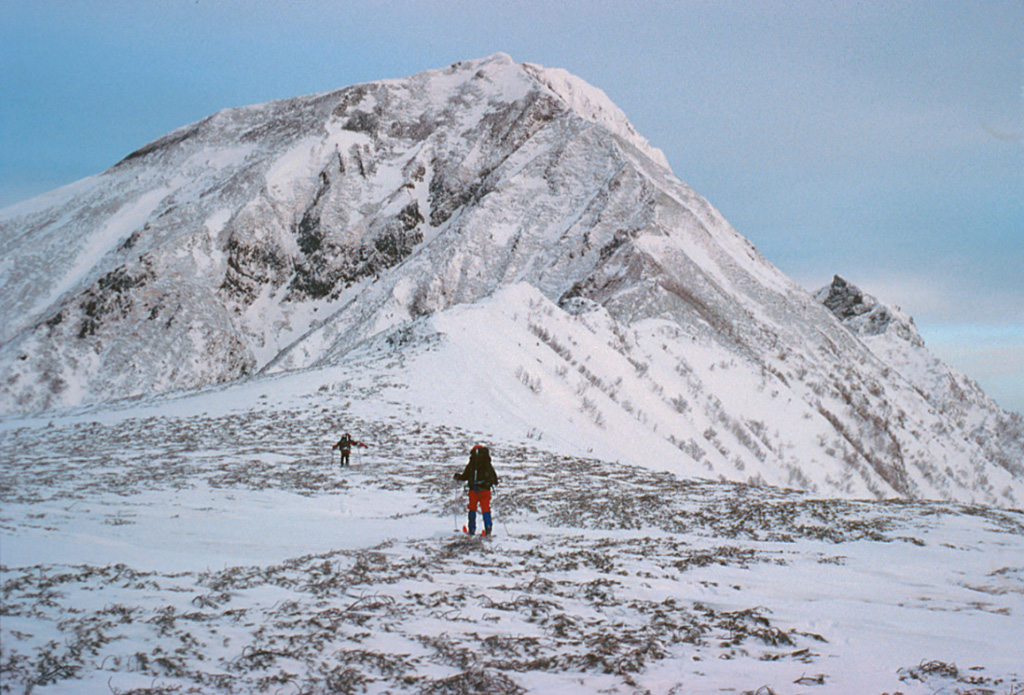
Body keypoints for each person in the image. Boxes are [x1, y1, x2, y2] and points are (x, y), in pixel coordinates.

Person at [453, 444, 499, 536]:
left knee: (472, 509)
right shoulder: (487, 463)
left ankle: (471, 529)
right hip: (486, 491)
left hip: (473, 491)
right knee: (486, 509)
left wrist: (458, 477)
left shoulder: (472, 462)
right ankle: (488, 528)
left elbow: (465, 476)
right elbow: (494, 478)